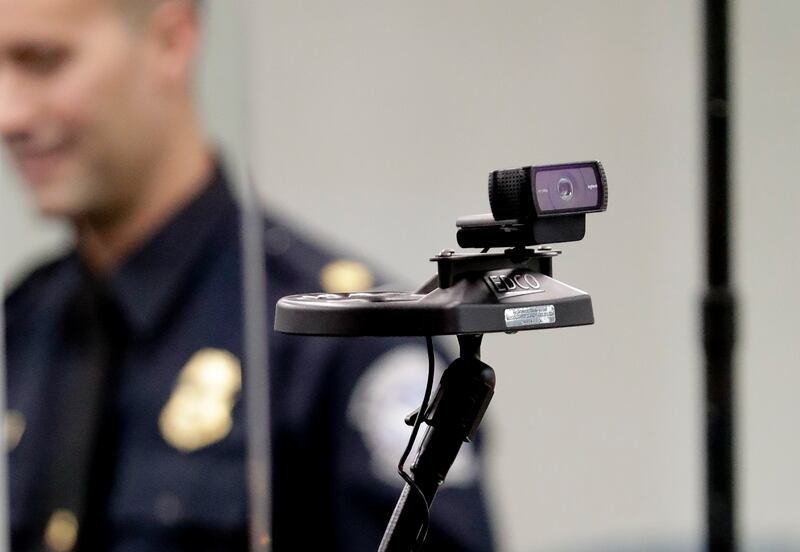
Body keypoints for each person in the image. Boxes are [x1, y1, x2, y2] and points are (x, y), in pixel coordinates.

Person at [0, 0, 495, 550]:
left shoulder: (334, 343)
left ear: (170, 40)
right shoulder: (22, 326)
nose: (9, 116)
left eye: (42, 61)